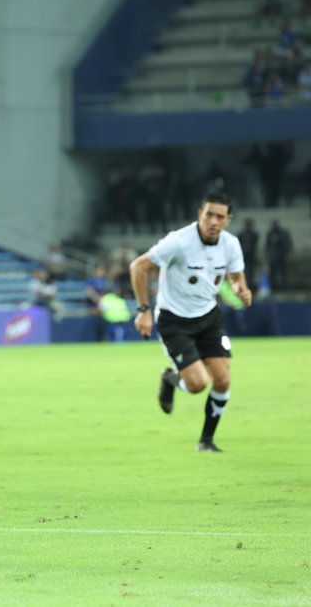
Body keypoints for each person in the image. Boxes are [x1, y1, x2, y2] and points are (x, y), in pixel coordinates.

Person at [130, 192, 251, 453]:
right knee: (197, 385)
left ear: (228, 220)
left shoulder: (231, 244)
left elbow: (236, 274)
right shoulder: (179, 241)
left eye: (220, 216)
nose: (213, 221)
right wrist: (143, 310)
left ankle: (206, 441)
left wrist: (241, 287)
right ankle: (171, 378)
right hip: (174, 321)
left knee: (223, 380)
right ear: (200, 214)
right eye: (209, 214)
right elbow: (138, 266)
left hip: (209, 317)